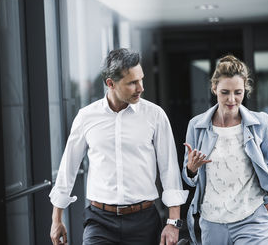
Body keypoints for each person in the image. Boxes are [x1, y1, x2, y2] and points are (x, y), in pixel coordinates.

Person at [49, 48, 189, 245]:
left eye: (141, 80)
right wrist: (56, 219)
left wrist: (173, 223)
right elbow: (68, 168)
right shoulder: (86, 117)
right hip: (100, 221)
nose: (140, 88)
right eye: (132, 83)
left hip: (144, 221)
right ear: (110, 83)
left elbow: (169, 170)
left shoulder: (155, 115)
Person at [182, 55, 268, 245]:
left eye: (238, 92)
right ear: (214, 88)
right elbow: (188, 177)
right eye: (225, 92)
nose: (232, 99)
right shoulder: (196, 126)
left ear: (245, 89)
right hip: (212, 221)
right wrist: (191, 169)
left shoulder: (260, 123)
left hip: (252, 218)